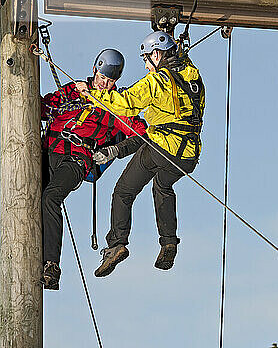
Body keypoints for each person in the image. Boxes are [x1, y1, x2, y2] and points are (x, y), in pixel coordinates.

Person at [75, 31, 205, 277]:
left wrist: (92, 93)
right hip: (189, 154)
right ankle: (169, 243)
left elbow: (125, 104)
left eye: (147, 59)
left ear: (157, 55)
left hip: (163, 147)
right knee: (163, 187)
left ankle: (117, 245)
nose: (146, 66)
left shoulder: (158, 81)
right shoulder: (192, 76)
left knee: (124, 191)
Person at [41, 49, 147, 290]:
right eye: (102, 78)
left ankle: (51, 265)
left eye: (111, 81)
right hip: (49, 151)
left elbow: (141, 131)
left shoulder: (115, 105)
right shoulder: (74, 90)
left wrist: (114, 150)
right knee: (23, 196)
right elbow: (44, 108)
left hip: (76, 159)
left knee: (51, 197)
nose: (105, 84)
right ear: (94, 71)